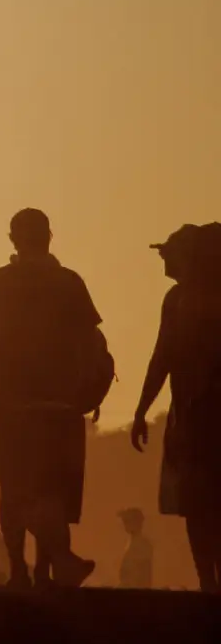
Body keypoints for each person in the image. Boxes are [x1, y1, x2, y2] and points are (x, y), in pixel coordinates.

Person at [0, 208, 99, 589]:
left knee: (14, 486)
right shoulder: (69, 283)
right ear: (49, 236)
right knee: (51, 489)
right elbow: (90, 344)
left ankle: (21, 568)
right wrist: (93, 388)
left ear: (12, 239)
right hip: (60, 402)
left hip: (10, 401)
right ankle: (48, 568)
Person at [131, 223, 221, 593]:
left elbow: (161, 358)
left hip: (195, 420)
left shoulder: (181, 301)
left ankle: (207, 582)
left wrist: (141, 409)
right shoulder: (179, 300)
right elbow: (162, 358)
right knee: (201, 504)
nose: (164, 260)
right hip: (192, 417)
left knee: (198, 505)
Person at [116, 508, 153, 590]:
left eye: (127, 521)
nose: (124, 524)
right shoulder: (131, 543)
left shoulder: (142, 545)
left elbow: (141, 575)